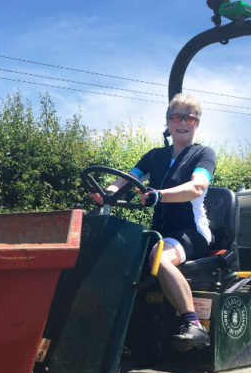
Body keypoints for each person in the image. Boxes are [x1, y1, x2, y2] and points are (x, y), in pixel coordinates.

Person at [90, 93, 215, 351]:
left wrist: (159, 195)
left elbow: (197, 187)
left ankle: (194, 325)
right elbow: (124, 180)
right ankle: (113, 332)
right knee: (119, 254)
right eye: (177, 117)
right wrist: (106, 193)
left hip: (192, 231)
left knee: (159, 257)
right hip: (160, 232)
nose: (183, 122)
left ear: (197, 123)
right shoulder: (155, 156)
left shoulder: (203, 154)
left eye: (190, 118)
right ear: (168, 122)